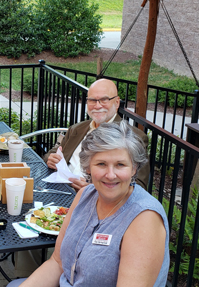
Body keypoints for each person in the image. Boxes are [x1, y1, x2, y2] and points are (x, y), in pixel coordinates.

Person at [16, 122, 169, 287]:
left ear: (134, 169)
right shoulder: (85, 195)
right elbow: (57, 263)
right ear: (88, 167)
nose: (110, 175)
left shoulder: (144, 218)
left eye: (120, 164)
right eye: (101, 164)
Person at [43, 78, 150, 191]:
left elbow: (139, 186)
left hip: (98, 202)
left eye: (104, 100)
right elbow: (50, 155)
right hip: (60, 190)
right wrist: (51, 160)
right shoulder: (76, 129)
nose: (97, 106)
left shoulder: (133, 137)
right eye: (92, 100)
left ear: (117, 102)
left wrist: (96, 189)